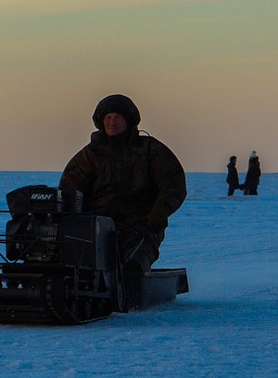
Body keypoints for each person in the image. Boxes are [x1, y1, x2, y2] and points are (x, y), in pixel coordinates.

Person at [60, 94, 187, 276]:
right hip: (96, 224)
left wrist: (160, 211)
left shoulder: (150, 150)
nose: (113, 122)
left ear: (128, 121)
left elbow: (173, 184)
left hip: (140, 224)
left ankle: (135, 296)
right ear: (101, 122)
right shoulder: (90, 155)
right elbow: (70, 189)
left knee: (132, 267)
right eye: (108, 118)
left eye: (118, 117)